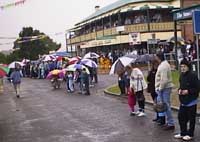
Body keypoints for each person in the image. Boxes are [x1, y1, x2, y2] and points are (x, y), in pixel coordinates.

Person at [174, 59, 199, 141]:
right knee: (181, 117)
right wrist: (179, 90)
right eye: (181, 66)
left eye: (184, 66)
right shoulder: (181, 75)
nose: (182, 68)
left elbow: (197, 88)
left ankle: (190, 134)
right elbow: (181, 86)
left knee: (191, 118)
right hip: (183, 101)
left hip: (191, 101)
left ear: (188, 67)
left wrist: (188, 91)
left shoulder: (193, 75)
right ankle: (183, 132)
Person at [155, 52, 175, 130]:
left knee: (165, 106)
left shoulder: (163, 66)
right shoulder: (164, 64)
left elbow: (164, 79)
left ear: (158, 57)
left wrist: (160, 88)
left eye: (156, 57)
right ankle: (169, 122)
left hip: (164, 88)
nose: (155, 59)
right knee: (165, 105)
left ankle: (171, 123)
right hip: (165, 88)